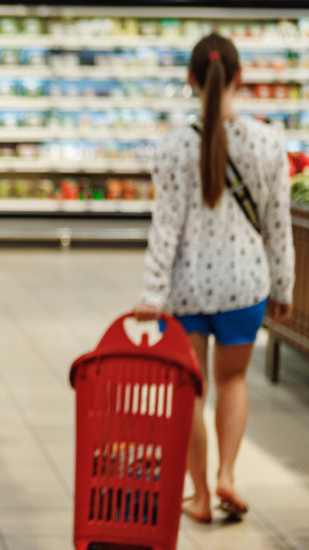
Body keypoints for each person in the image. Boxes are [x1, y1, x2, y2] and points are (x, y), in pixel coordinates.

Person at [133, 33, 295, 523]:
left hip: (186, 291)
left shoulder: (174, 148)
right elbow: (277, 223)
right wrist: (283, 286)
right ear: (240, 77)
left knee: (192, 390)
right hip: (245, 285)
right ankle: (228, 474)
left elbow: (166, 229)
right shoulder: (268, 142)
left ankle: (200, 495)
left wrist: (151, 294)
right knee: (234, 380)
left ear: (190, 79)